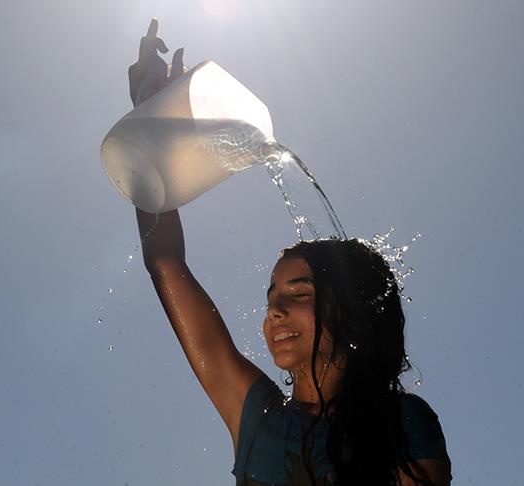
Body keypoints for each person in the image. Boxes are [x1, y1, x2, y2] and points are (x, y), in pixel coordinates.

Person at [127, 19, 451, 486]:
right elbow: (166, 264)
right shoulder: (256, 415)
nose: (274, 311)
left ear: (350, 307)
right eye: (272, 295)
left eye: (298, 292)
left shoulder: (401, 421)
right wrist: (151, 120)